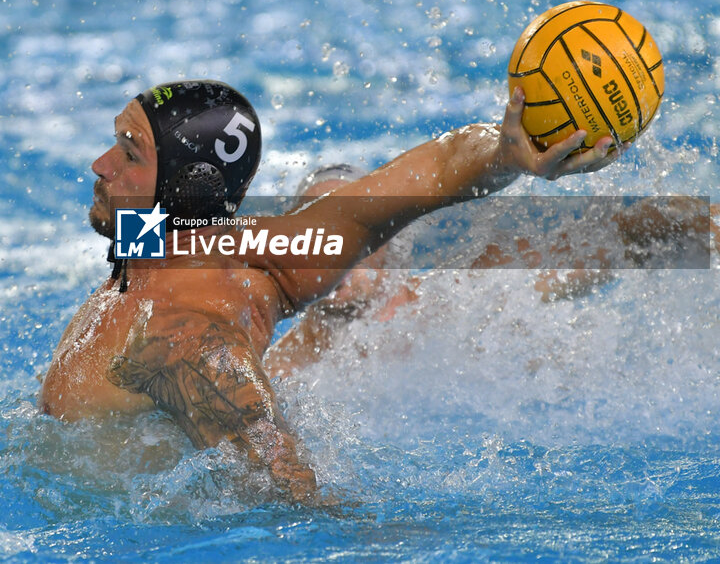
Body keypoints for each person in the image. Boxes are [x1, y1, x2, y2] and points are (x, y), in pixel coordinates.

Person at [40, 79, 617, 504]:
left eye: (130, 154)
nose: (101, 164)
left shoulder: (182, 335)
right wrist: (506, 153)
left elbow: (290, 494)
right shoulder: (236, 247)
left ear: (182, 191)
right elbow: (432, 170)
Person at [264, 164, 719, 379]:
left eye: (351, 228)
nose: (330, 245)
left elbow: (622, 237)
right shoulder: (281, 372)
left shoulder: (458, 298)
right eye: (313, 226)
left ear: (390, 242)